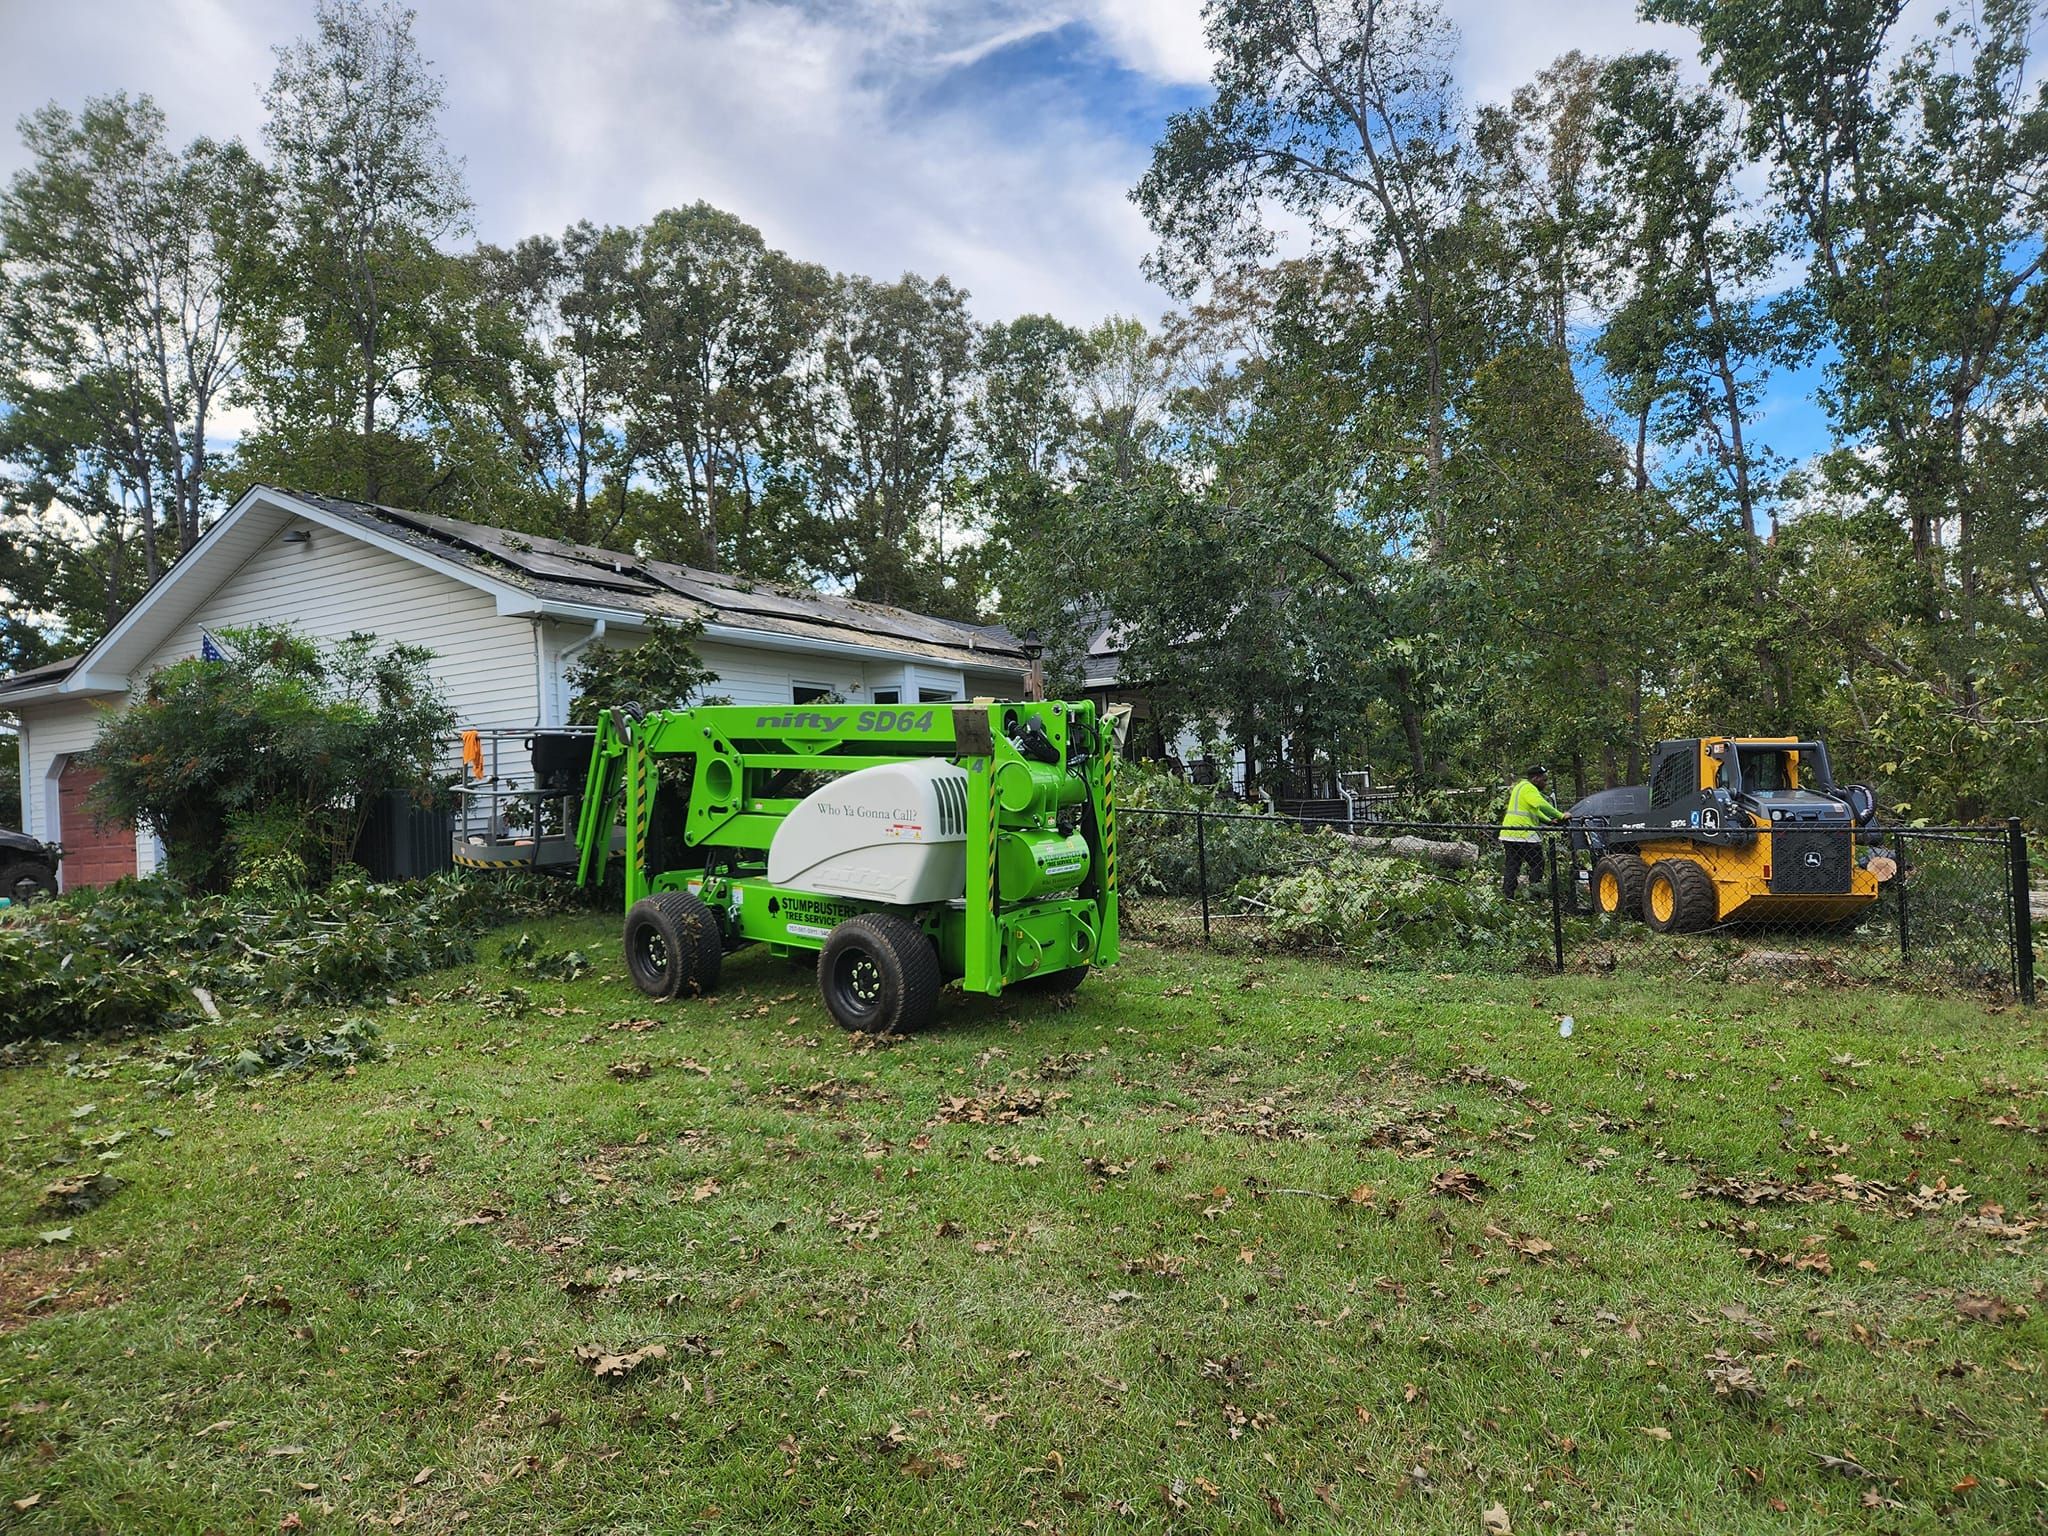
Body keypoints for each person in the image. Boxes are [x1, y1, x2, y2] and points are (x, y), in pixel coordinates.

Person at [1499, 764, 1567, 900]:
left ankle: (1508, 897)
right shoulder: (1529, 789)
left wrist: (1548, 821)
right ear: (1535, 778)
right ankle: (1534, 894)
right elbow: (1541, 804)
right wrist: (1561, 816)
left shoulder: (1520, 787)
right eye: (1544, 780)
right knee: (1537, 863)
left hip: (1509, 834)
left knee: (1512, 866)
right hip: (1524, 834)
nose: (1545, 783)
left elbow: (1534, 810)